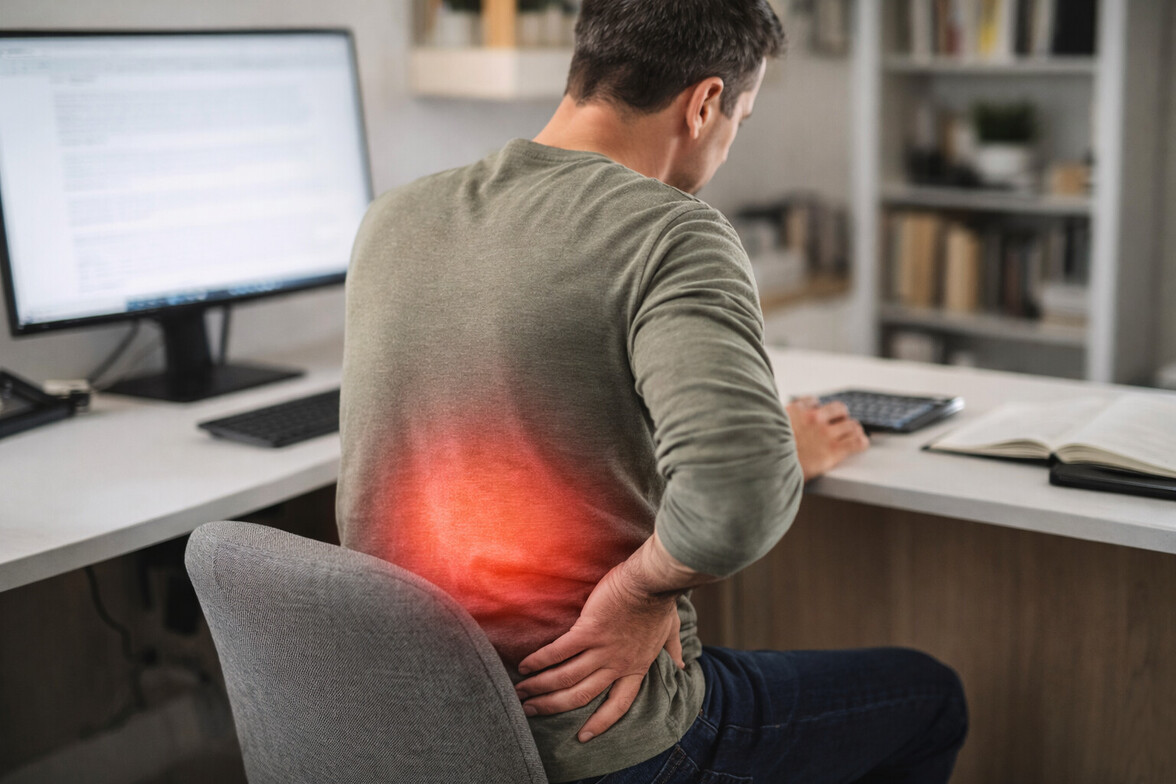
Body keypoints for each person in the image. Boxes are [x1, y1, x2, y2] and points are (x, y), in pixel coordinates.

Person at [336, 1, 967, 781]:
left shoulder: (393, 218)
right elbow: (736, 496)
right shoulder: (671, 231)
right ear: (704, 104)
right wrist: (641, 590)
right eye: (742, 115)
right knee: (932, 697)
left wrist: (774, 452)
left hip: (405, 726)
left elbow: (539, 439)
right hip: (599, 735)